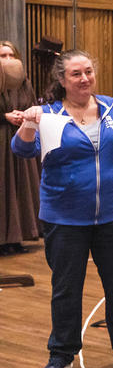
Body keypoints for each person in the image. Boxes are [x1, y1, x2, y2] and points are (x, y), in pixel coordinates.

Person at [12, 49, 113, 368]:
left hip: (111, 215)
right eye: (76, 74)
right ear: (62, 80)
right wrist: (31, 123)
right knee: (66, 288)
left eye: (89, 71)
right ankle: (61, 354)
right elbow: (21, 150)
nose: (85, 79)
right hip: (63, 218)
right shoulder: (48, 115)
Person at [0, 41, 40, 255]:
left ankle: (17, 237)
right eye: (2, 55)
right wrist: (4, 116)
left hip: (21, 139)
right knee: (3, 188)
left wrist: (25, 118)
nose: (7, 60)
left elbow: (32, 105)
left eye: (10, 55)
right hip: (1, 142)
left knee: (21, 188)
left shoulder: (25, 83)